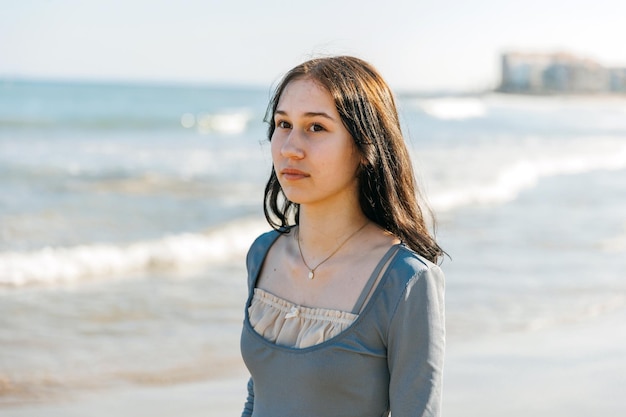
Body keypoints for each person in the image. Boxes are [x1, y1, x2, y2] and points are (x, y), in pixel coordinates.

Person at [240, 55, 445, 417]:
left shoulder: (406, 280)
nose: (290, 147)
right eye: (283, 124)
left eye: (316, 128)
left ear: (366, 148)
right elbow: (259, 397)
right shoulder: (263, 254)